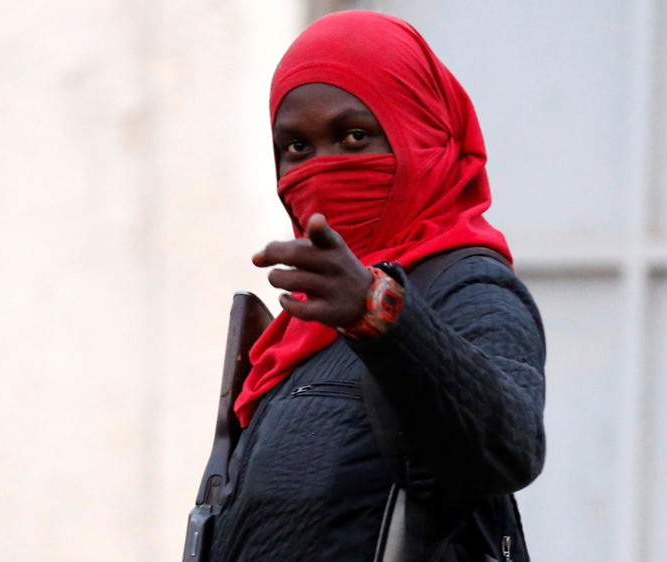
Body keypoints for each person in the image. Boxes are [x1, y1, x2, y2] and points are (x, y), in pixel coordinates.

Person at [208, 10, 546, 562]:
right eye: (296, 147)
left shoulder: (467, 286)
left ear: (424, 137)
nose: (322, 168)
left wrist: (380, 314)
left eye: (354, 136)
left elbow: (509, 448)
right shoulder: (297, 333)